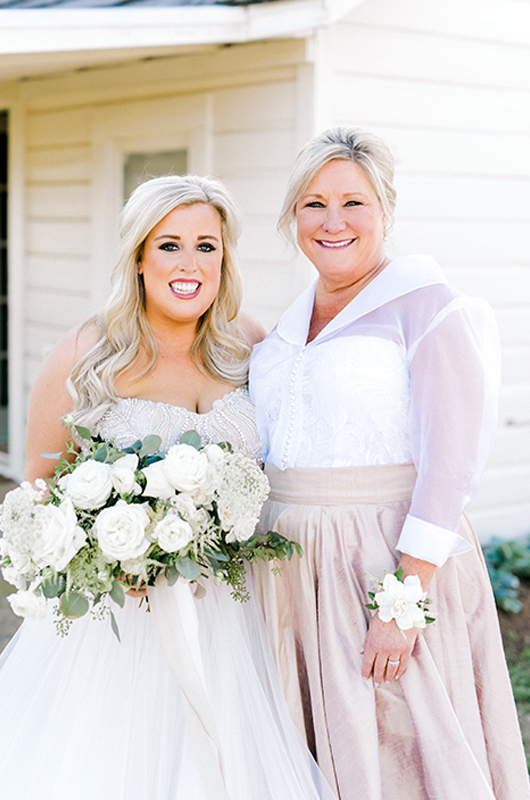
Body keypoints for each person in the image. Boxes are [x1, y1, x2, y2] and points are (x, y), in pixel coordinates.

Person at [0, 175, 336, 800]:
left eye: (207, 246)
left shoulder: (251, 343)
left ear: (225, 259)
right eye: (170, 245)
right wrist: (105, 554)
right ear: (139, 257)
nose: (190, 265)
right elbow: (36, 498)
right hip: (121, 624)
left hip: (235, 618)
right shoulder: (86, 352)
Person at [249, 127, 530, 800]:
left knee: (398, 746)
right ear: (294, 216)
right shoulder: (286, 327)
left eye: (354, 202)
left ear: (386, 210)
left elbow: (451, 462)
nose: (333, 221)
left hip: (382, 560)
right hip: (290, 567)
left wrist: (404, 601)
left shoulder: (427, 308)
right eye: (314, 203)